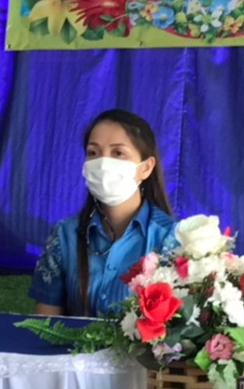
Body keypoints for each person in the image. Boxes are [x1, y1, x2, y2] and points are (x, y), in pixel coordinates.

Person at [31, 108, 175, 318]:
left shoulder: (172, 239)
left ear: (146, 168)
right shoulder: (64, 235)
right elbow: (44, 322)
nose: (103, 164)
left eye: (118, 153)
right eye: (93, 153)